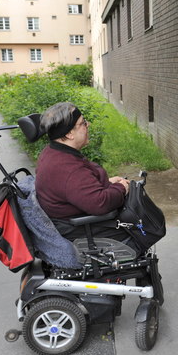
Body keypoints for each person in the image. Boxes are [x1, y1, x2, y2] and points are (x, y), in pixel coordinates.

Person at [34, 102, 136, 251]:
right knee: (140, 227)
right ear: (69, 134)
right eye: (83, 123)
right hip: (79, 230)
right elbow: (100, 203)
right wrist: (121, 187)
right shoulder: (67, 168)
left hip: (68, 220)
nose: (88, 125)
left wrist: (106, 183)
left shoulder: (53, 152)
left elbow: (75, 188)